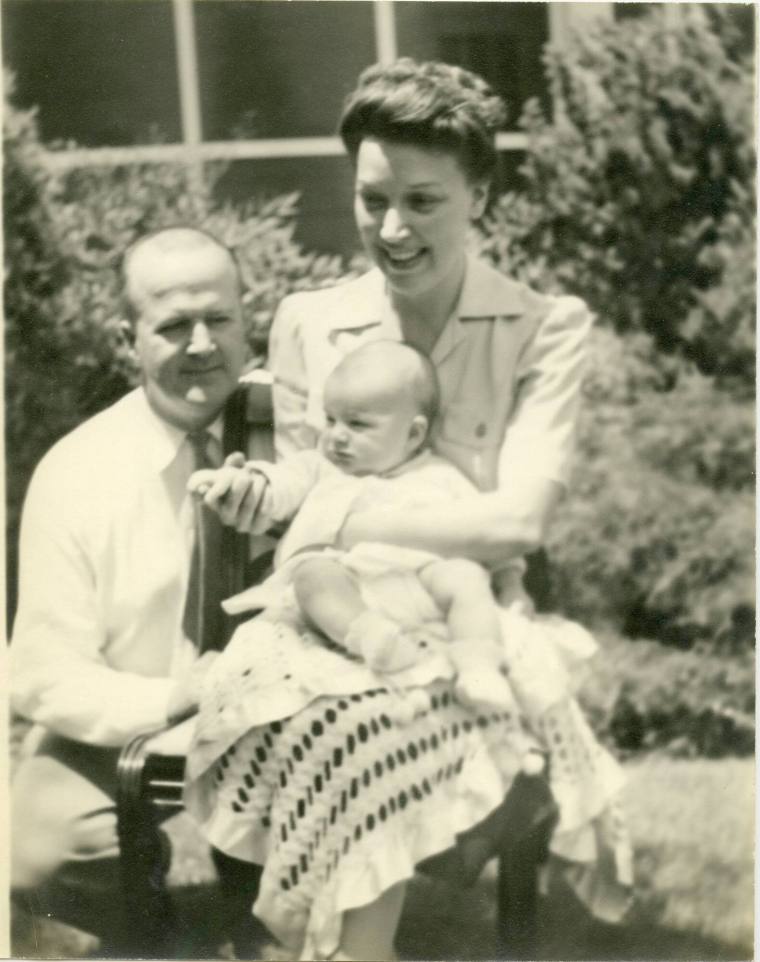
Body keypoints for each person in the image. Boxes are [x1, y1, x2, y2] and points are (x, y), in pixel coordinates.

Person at [183, 60, 632, 962]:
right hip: (334, 617)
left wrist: (344, 523)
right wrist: (257, 497)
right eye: (372, 198)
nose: (393, 230)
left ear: (480, 195)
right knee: (314, 716)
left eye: (424, 202)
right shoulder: (313, 321)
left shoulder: (544, 326)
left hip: (466, 616)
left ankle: (341, 947)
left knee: (373, 720)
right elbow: (303, 481)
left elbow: (516, 527)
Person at [9, 226, 266, 950]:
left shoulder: (304, 438)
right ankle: (149, 926)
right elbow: (40, 671)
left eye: (218, 318)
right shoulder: (78, 470)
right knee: (38, 846)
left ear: (248, 320)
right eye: (172, 325)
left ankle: (267, 914)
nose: (201, 344)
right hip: (134, 713)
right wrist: (172, 700)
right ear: (128, 339)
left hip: (278, 721)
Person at [188, 340, 520, 772]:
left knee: (464, 576)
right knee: (310, 576)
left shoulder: (440, 476)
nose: (336, 435)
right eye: (330, 419)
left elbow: (484, 533)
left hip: (419, 587)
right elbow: (277, 485)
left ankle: (478, 667)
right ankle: (378, 644)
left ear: (414, 433)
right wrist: (242, 484)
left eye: (358, 425)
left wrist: (511, 580)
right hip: (343, 596)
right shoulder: (320, 467)